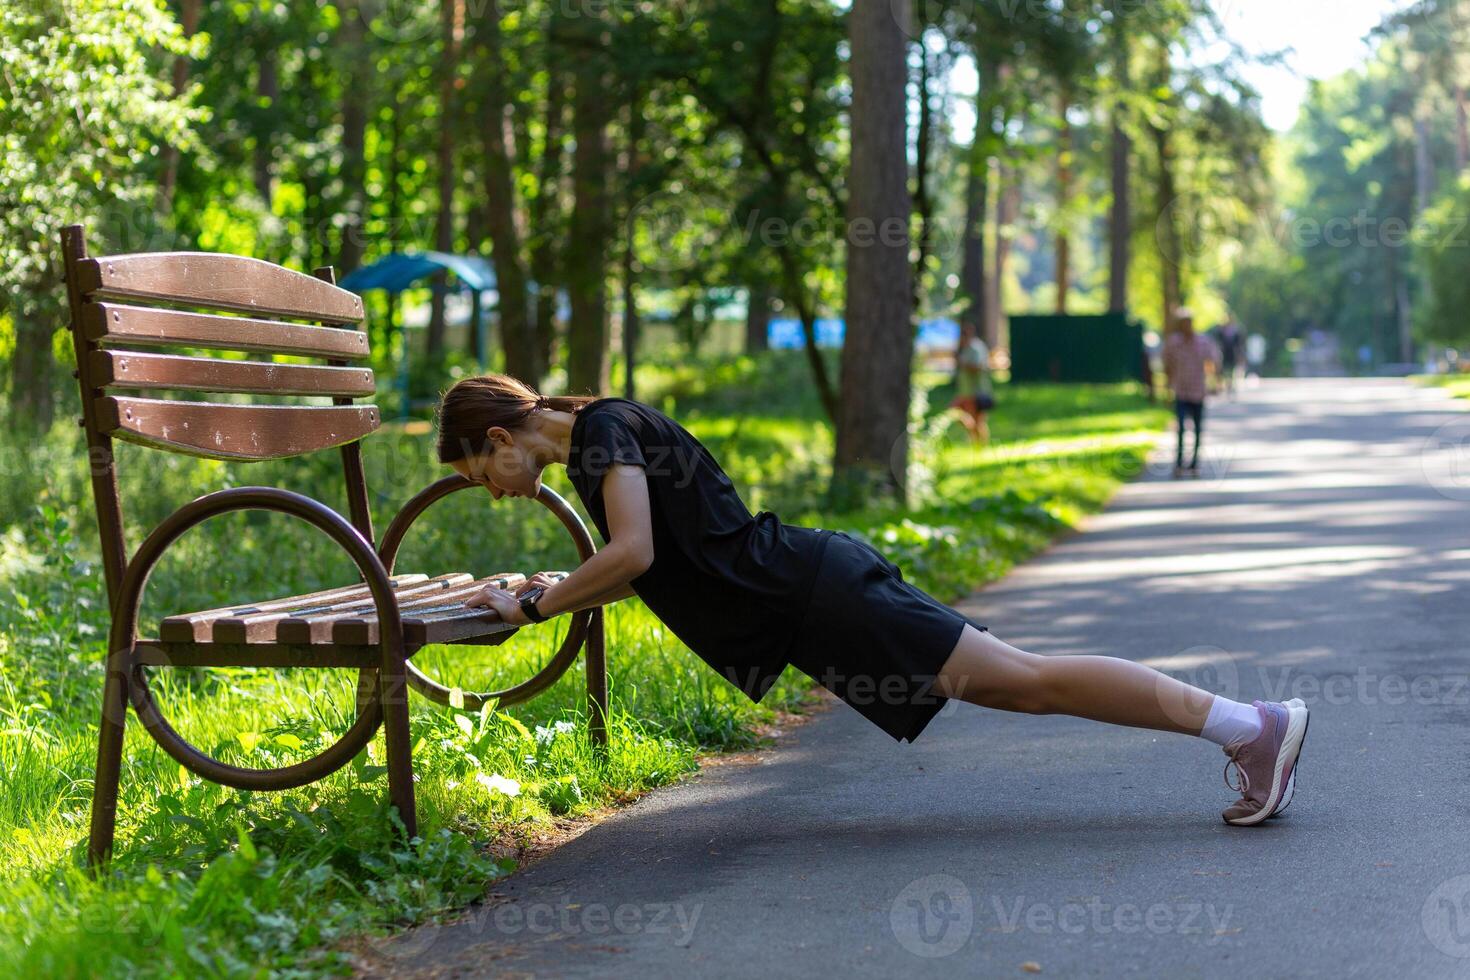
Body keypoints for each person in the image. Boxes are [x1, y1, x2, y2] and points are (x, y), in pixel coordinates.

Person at [433, 374, 1310, 826]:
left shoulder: (601, 435)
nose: (495, 491)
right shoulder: (602, 431)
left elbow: (633, 551)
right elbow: (646, 567)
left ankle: (1248, 725)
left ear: (501, 437)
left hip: (823, 596)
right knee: (1022, 683)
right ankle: (1245, 725)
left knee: (1030, 681)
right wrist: (549, 589)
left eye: (483, 474)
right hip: (814, 595)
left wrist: (540, 609)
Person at [1162, 308, 1221, 478]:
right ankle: (1179, 463)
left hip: (1198, 391)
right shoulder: (1174, 343)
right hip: (1181, 391)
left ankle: (1194, 464)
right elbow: (1167, 365)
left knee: (1197, 429)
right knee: (1180, 428)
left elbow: (1210, 363)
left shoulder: (1203, 342)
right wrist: (1167, 386)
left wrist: (1213, 382)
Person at [948, 324, 994, 444]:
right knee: (963, 415)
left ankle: (979, 443)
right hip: (966, 390)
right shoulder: (968, 347)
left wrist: (961, 362)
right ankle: (977, 441)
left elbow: (978, 367)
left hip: (975, 390)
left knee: (977, 420)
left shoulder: (975, 348)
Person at [1214, 317, 1245, 398]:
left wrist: (1240, 355)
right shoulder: (1220, 331)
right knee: (1222, 371)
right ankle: (1221, 386)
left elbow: (1239, 345)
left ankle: (1229, 386)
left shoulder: (1235, 332)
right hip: (1222, 354)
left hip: (1232, 354)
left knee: (1231, 371)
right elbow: (1217, 343)